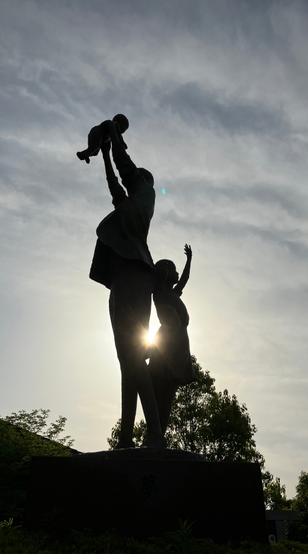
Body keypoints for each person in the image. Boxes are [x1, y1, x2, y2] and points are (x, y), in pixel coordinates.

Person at [89, 119, 166, 449]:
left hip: (136, 274)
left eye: (137, 177)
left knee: (134, 357)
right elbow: (114, 184)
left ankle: (154, 434)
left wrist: (114, 134)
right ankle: (125, 438)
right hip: (121, 278)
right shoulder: (129, 204)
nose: (133, 178)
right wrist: (104, 152)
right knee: (126, 360)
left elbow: (125, 169)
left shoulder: (146, 193)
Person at [149, 244, 196, 435]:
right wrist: (161, 271)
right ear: (166, 274)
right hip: (167, 343)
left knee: (168, 393)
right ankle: (155, 431)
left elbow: (184, 280)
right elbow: (157, 272)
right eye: (174, 271)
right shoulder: (160, 292)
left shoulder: (172, 293)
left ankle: (159, 432)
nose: (177, 275)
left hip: (178, 344)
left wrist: (189, 260)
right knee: (160, 388)